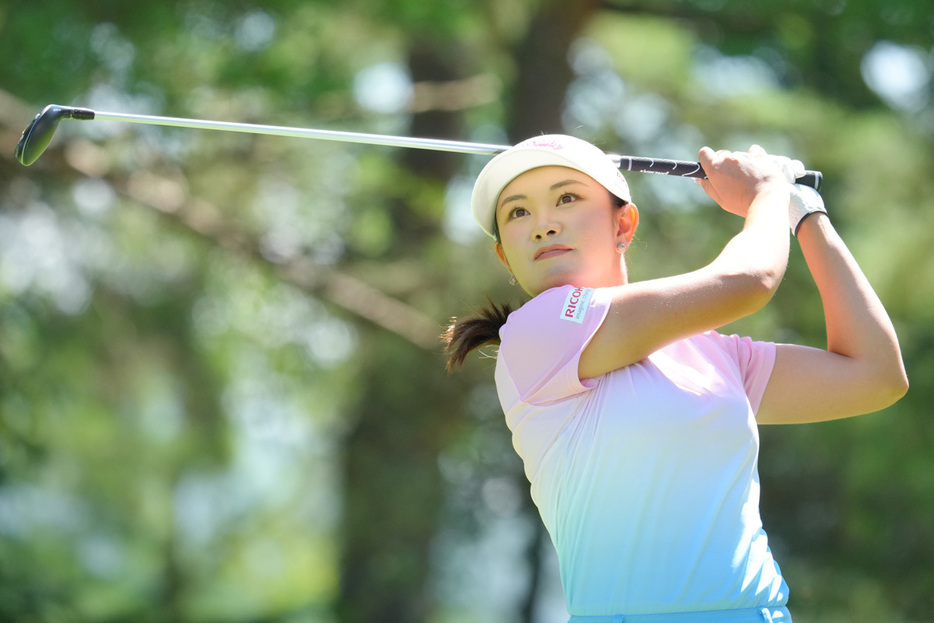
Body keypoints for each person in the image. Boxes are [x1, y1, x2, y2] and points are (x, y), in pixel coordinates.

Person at [443, 135, 908, 623]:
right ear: (504, 257)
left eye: (567, 198)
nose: (543, 225)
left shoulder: (711, 353)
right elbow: (750, 280)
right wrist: (769, 193)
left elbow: (875, 375)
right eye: (518, 213)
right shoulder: (536, 335)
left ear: (622, 223)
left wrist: (805, 211)